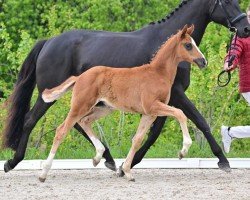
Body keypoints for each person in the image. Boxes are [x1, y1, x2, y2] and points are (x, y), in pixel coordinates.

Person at [221, 6, 250, 153]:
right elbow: (234, 52)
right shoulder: (241, 35)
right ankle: (230, 132)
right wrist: (229, 63)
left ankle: (230, 132)